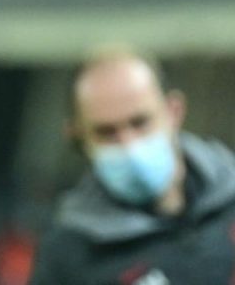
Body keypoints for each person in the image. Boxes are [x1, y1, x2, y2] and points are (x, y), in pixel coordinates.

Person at [30, 49, 235, 284]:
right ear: (77, 136)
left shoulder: (229, 199)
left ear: (174, 111)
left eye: (140, 123)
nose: (129, 145)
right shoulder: (68, 255)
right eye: (107, 132)